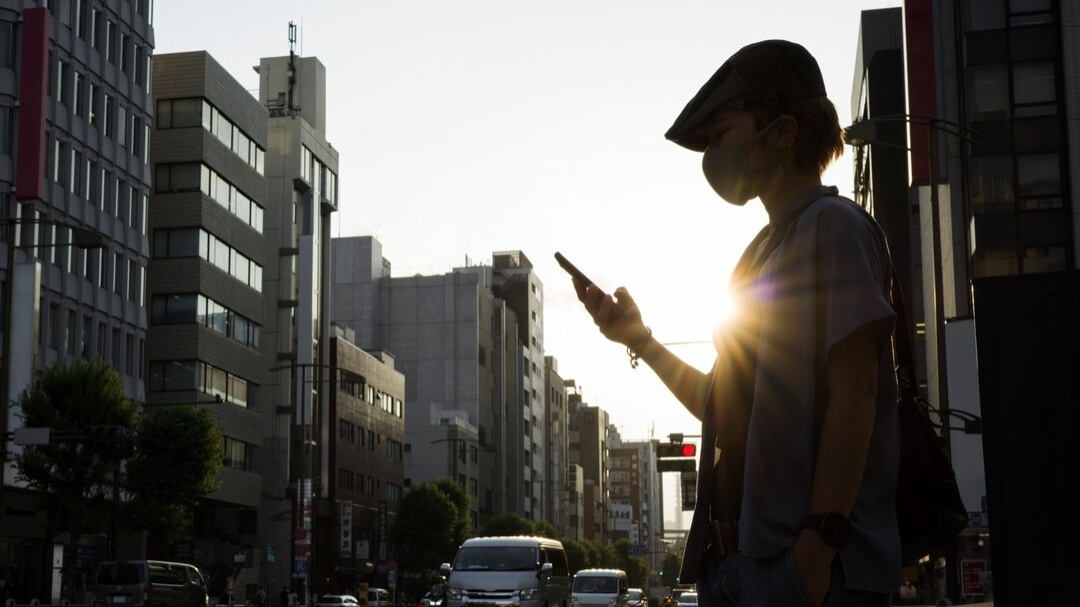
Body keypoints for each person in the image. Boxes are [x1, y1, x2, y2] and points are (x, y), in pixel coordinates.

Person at [570, 39, 899, 606]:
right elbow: (720, 406)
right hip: (739, 567)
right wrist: (639, 341)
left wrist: (817, 548)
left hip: (807, 571)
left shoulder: (835, 227)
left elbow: (857, 395)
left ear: (783, 131)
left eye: (723, 132)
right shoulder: (759, 254)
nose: (713, 153)